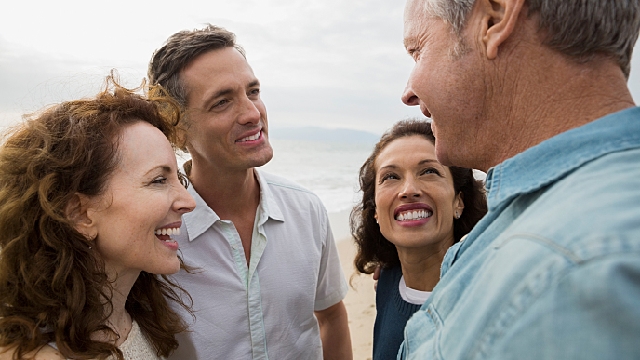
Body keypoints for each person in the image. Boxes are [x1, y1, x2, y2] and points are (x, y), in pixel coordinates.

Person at [398, 0, 640, 359]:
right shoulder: (551, 219)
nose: (408, 92)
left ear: (495, 17)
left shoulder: (571, 273)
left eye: (418, 51)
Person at [147, 25, 352, 359]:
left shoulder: (307, 210)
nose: (253, 113)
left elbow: (330, 315)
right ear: (177, 129)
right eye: (222, 102)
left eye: (253, 92)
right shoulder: (156, 231)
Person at [0, 76, 197, 360]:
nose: (188, 202)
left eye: (177, 178)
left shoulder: (156, 324)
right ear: (80, 214)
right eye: (157, 180)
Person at [350, 119, 486, 360]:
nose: (409, 190)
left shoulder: (485, 296)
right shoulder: (388, 281)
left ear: (459, 201)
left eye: (429, 171)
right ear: (375, 212)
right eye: (391, 177)